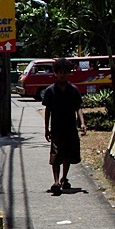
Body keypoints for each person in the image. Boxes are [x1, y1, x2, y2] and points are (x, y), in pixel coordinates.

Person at [43, 58, 87, 195]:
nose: (63, 75)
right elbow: (47, 110)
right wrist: (46, 128)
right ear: (55, 73)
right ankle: (56, 181)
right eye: (60, 72)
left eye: (65, 72)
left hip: (70, 128)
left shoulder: (73, 90)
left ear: (69, 74)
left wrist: (83, 123)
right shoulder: (50, 91)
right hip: (56, 129)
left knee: (67, 155)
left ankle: (64, 178)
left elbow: (78, 108)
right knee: (56, 156)